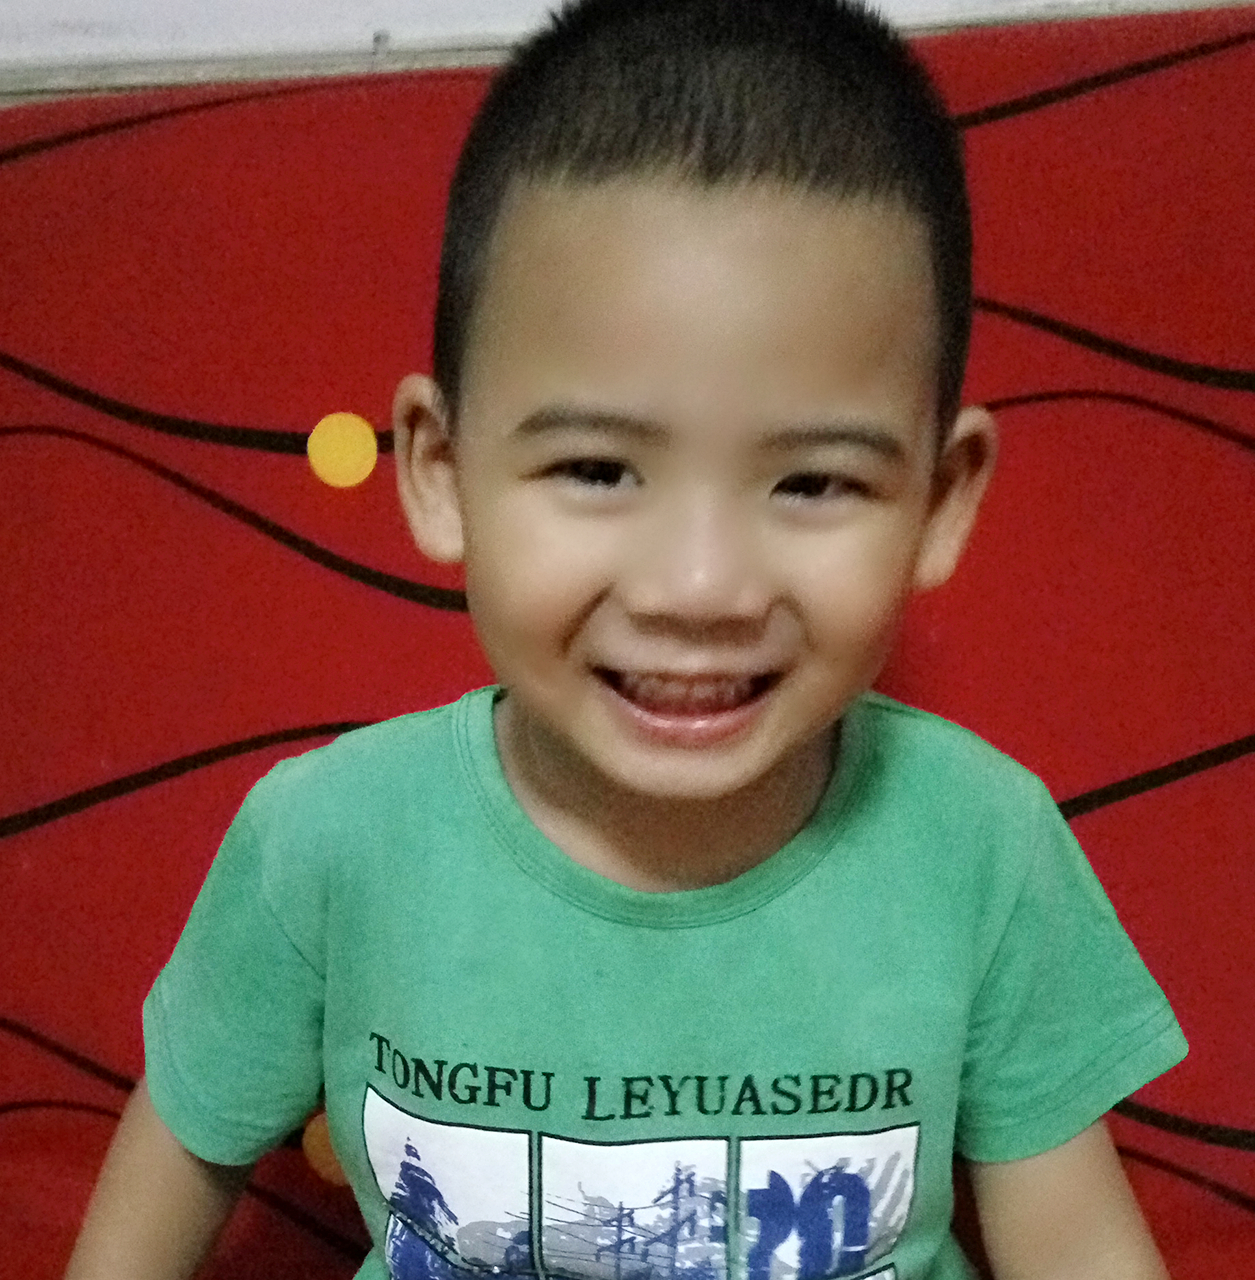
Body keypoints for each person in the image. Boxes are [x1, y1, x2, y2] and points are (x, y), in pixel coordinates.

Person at [66, 2, 1187, 1278]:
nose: (698, 586)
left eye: (812, 482)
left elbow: (1075, 1236)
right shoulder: (325, 842)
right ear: (437, 470)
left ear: (937, 501)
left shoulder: (980, 845)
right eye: (597, 468)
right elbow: (180, 1151)